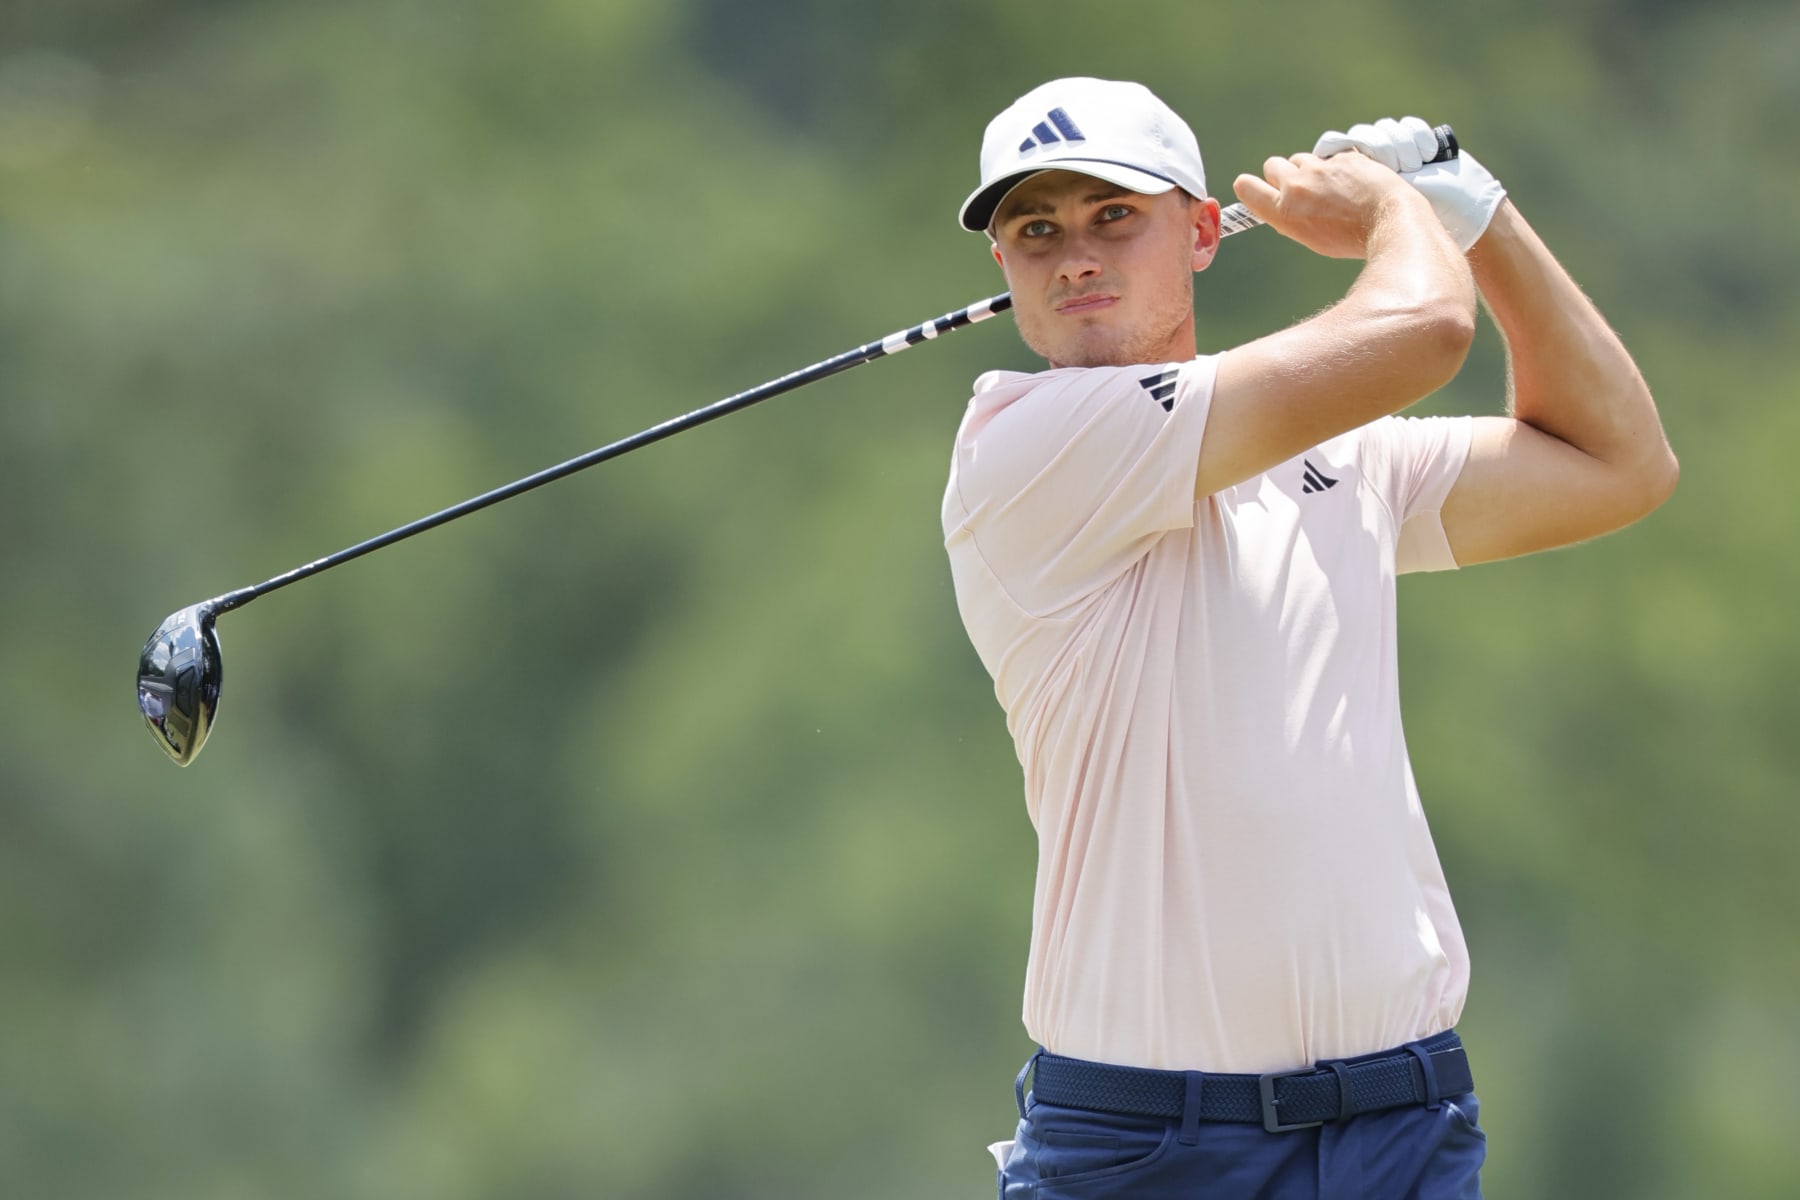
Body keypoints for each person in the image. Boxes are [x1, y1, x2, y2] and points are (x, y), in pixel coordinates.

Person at [940, 77, 1677, 1200]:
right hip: (1147, 1149)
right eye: (1036, 231)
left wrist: (1484, 218)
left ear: (1201, 234)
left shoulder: (1339, 458)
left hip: (1400, 1125)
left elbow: (1616, 463)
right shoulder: (1025, 442)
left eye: (1113, 216)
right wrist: (1394, 210)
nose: (1074, 256)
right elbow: (1425, 331)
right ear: (1004, 267)